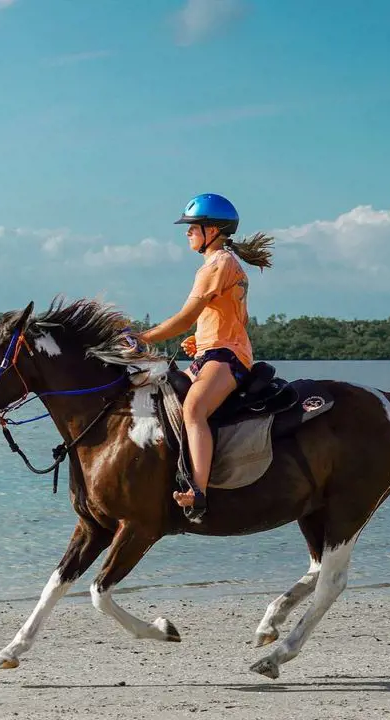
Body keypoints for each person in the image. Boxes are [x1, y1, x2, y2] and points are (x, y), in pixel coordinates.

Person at [136, 193, 273, 517]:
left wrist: (143, 337)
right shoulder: (220, 265)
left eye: (192, 228)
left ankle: (197, 491)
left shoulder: (219, 264)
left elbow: (185, 317)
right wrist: (200, 339)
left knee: (194, 407)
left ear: (212, 230)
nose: (187, 234)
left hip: (228, 356)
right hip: (214, 351)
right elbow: (231, 316)